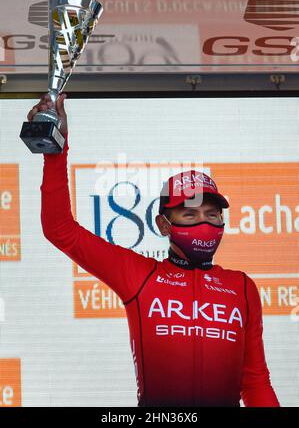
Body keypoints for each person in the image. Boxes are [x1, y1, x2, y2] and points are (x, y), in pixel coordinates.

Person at [27, 93, 280, 408]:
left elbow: (255, 384)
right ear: (163, 225)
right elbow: (59, 228)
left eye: (212, 214)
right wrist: (56, 152)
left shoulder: (242, 287)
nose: (204, 221)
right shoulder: (139, 275)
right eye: (190, 214)